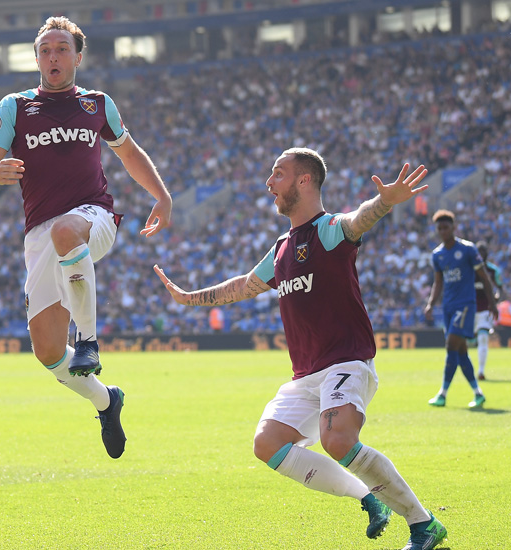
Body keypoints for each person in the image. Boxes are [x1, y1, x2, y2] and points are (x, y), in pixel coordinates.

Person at [154, 148, 447, 550]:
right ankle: (366, 497)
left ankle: (423, 524)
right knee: (267, 445)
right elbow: (242, 286)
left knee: (338, 441)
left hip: (346, 361)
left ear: (305, 180)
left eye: (278, 174)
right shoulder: (281, 248)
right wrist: (190, 299)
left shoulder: (326, 230)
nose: (269, 183)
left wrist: (383, 202)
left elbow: (356, 220)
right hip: (306, 375)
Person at [0, 16, 172, 459]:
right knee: (46, 351)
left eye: (62, 49)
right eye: (45, 50)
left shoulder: (97, 104)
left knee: (67, 229)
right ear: (37, 58)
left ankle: (88, 340)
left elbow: (128, 152)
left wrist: (161, 195)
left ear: (78, 56)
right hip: (41, 234)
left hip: (91, 216)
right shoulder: (16, 106)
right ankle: (107, 400)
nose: (53, 57)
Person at [423, 210, 497, 409]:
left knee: (451, 346)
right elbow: (438, 282)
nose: (442, 231)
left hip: (465, 305)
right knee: (461, 351)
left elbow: (484, 277)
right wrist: (431, 303)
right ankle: (477, 393)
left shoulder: (467, 249)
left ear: (453, 228)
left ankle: (443, 393)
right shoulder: (437, 254)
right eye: (439, 228)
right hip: (448, 306)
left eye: (446, 227)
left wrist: (492, 303)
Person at [473, 242, 504, 380]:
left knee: (483, 338)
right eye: (479, 252)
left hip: (486, 309)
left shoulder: (492, 270)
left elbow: (500, 288)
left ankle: (480, 371)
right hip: (470, 308)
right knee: (464, 341)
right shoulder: (469, 269)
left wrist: (495, 300)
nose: (481, 255)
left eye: (483, 252)